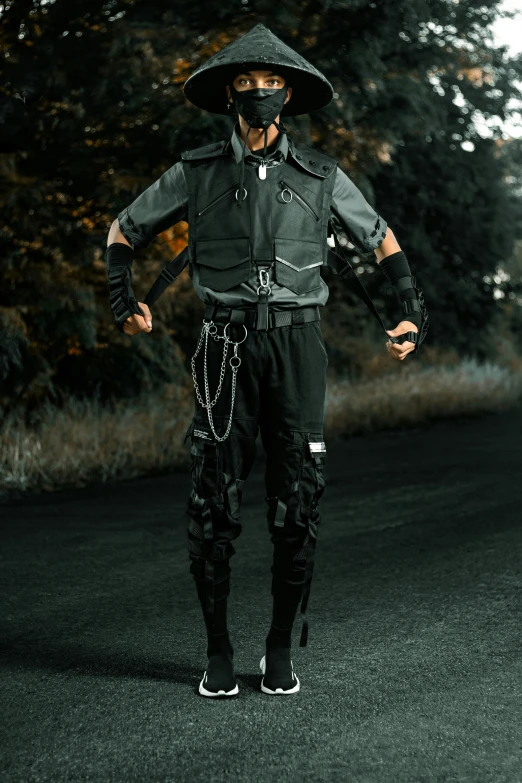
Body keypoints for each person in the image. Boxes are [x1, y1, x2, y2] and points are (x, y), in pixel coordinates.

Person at [105, 23, 428, 698]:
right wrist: (123, 301)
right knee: (210, 502)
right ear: (229, 92)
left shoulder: (321, 175)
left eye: (271, 83)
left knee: (300, 502)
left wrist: (409, 312)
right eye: (247, 83)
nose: (259, 92)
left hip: (297, 345)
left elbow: (382, 237)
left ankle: (278, 649)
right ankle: (218, 651)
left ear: (289, 94)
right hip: (223, 346)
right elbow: (122, 229)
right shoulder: (196, 172)